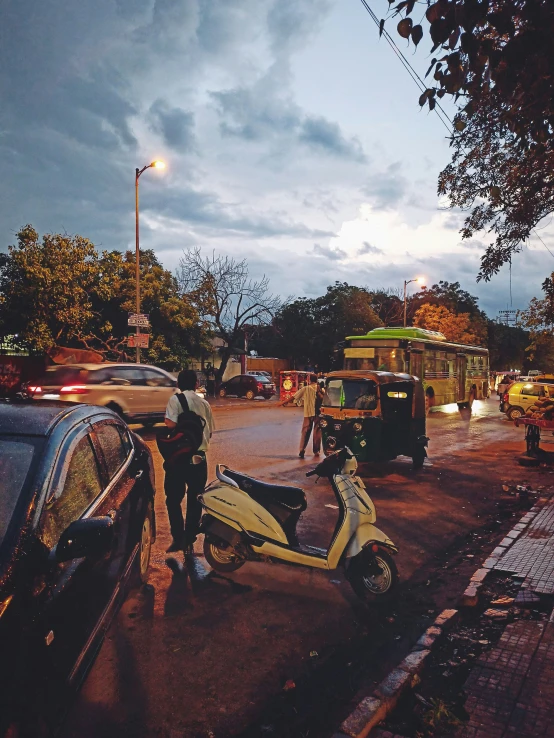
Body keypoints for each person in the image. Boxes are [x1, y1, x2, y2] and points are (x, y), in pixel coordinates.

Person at [164, 369, 215, 554]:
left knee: (173, 499)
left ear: (178, 384)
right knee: (195, 499)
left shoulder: (175, 400)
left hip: (178, 458)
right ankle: (190, 536)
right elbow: (210, 431)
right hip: (199, 458)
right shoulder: (204, 404)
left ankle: (178, 537)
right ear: (196, 384)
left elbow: (169, 424)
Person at [282, 373, 324, 459]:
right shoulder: (321, 389)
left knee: (305, 431)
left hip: (308, 413)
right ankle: (316, 451)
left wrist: (283, 402)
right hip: (318, 413)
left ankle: (302, 450)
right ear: (317, 380)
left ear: (309, 380)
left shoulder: (306, 388)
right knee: (317, 432)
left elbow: (294, 397)